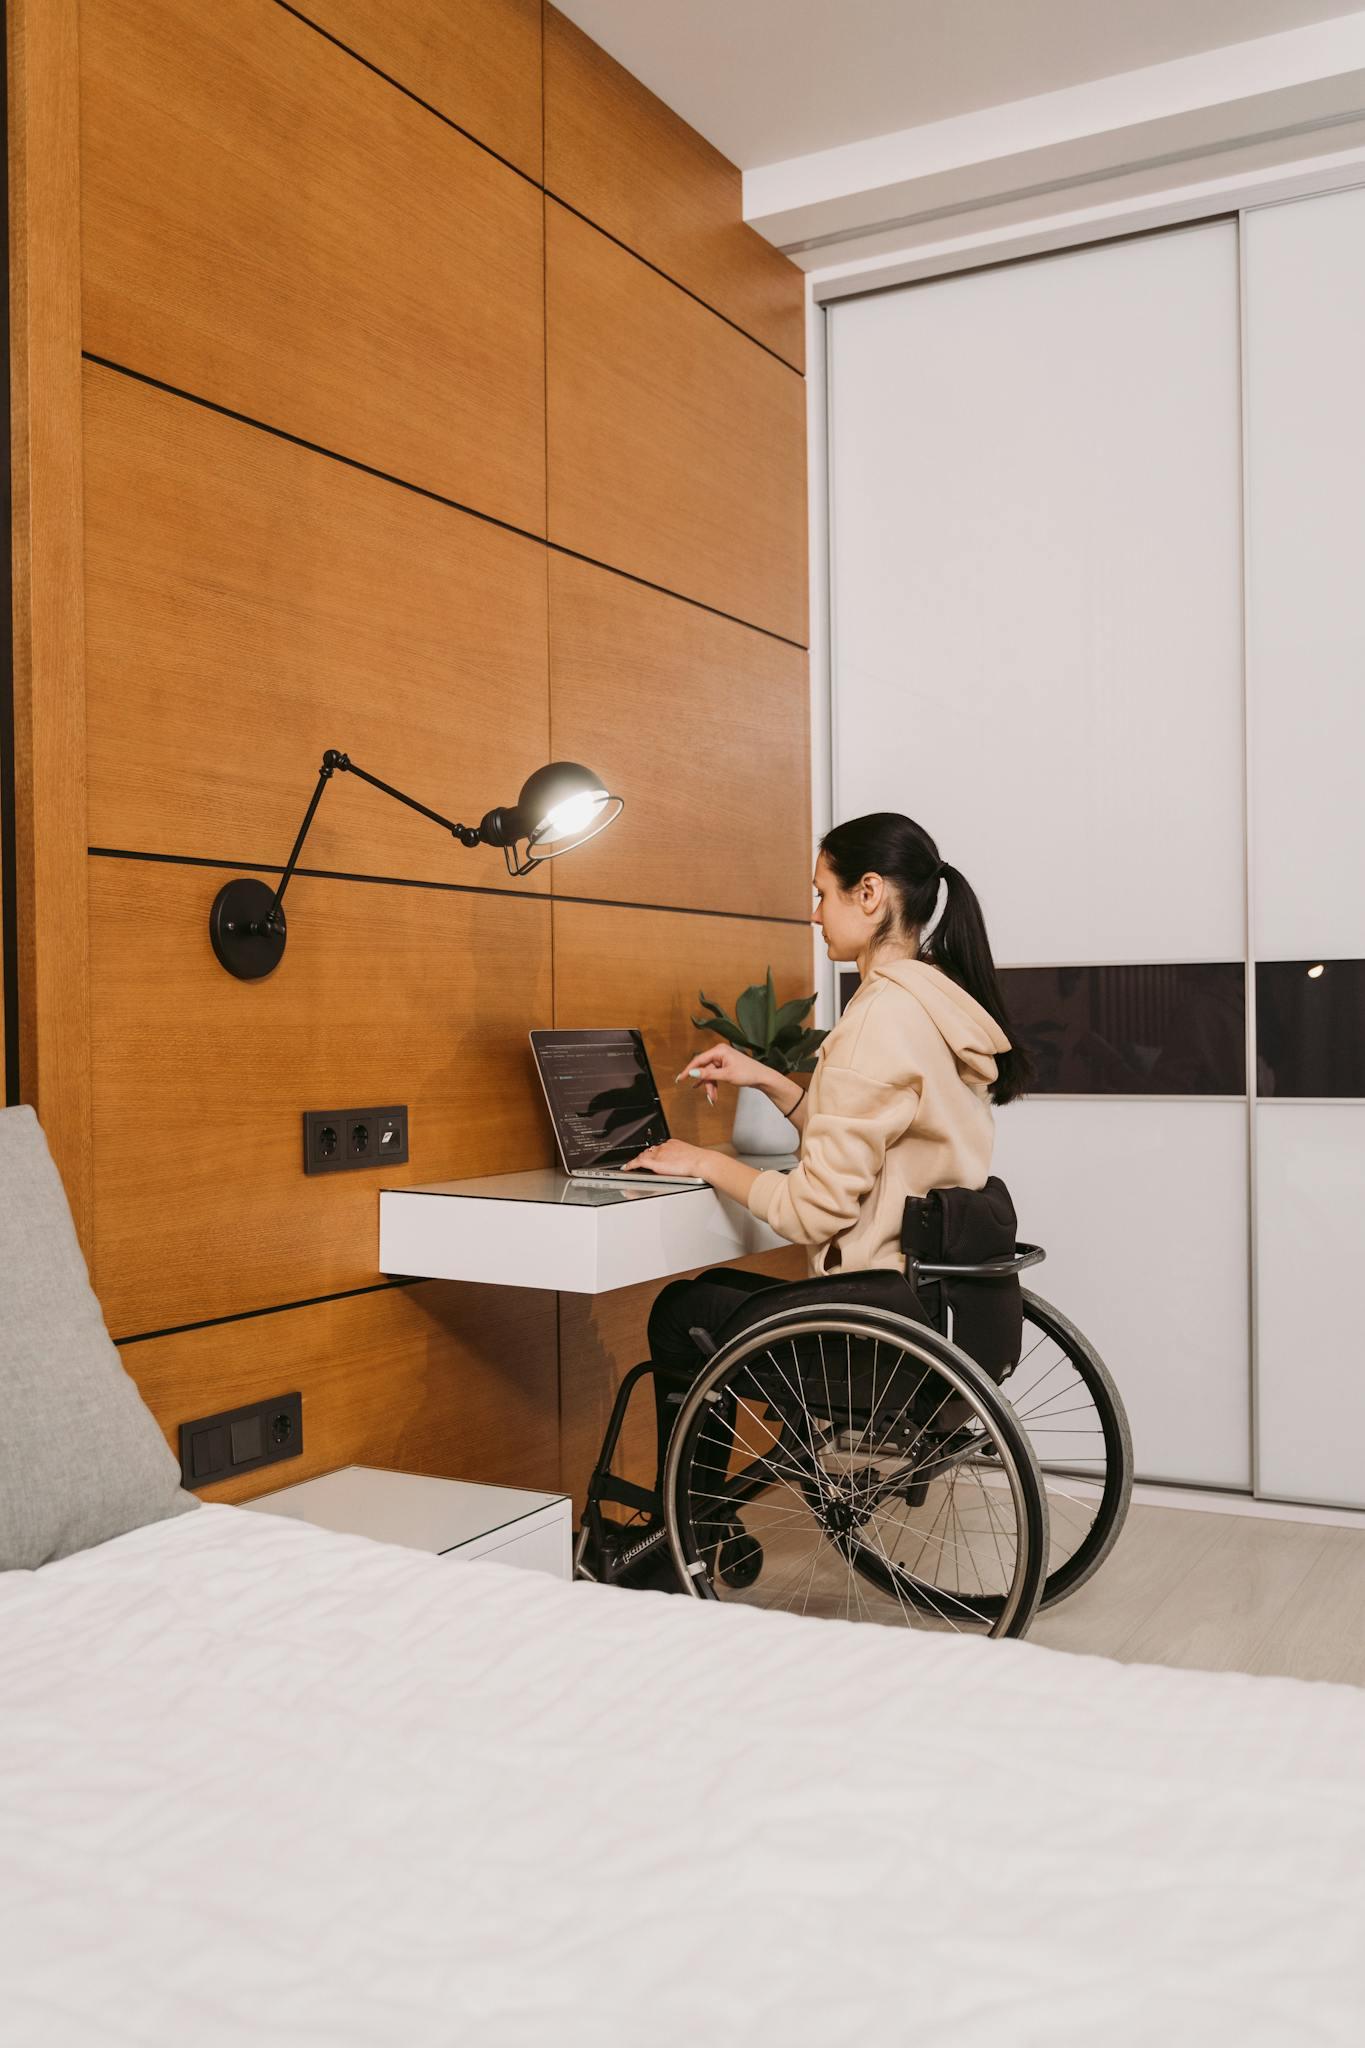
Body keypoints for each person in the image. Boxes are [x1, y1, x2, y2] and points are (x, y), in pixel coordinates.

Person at [622, 812, 1032, 1381]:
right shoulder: (932, 1004)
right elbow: (877, 1132)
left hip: (873, 1328)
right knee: (712, 1292)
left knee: (681, 1311)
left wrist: (702, 1161)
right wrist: (766, 1078)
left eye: (821, 894)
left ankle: (679, 1477)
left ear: (868, 893)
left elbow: (812, 1210)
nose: (815, 914)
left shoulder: (877, 1019)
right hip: (937, 1311)